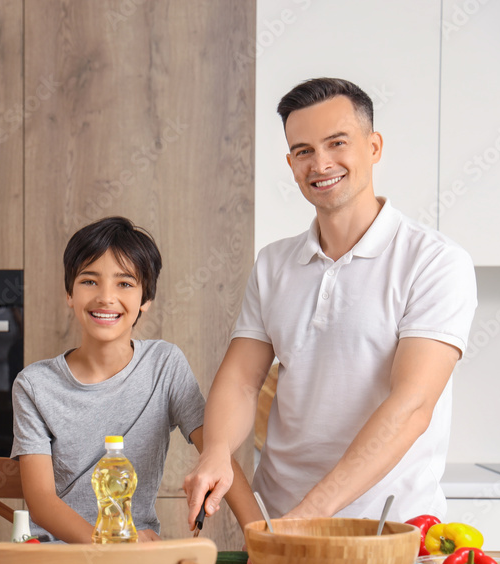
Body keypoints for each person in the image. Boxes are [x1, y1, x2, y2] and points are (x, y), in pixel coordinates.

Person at [184, 78, 478, 526]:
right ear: (290, 162)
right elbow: (243, 380)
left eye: (337, 143)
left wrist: (312, 513)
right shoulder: (274, 264)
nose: (320, 163)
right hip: (279, 521)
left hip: (390, 528)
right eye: (303, 151)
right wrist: (218, 450)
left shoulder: (435, 261)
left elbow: (413, 405)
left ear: (374, 146)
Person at [12, 216, 257, 543]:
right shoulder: (33, 385)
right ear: (69, 293)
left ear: (145, 300)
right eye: (89, 281)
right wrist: (112, 544)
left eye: (124, 283)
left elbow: (217, 453)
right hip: (61, 558)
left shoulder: (165, 365)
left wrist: (260, 535)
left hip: (136, 558)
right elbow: (42, 502)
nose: (105, 297)